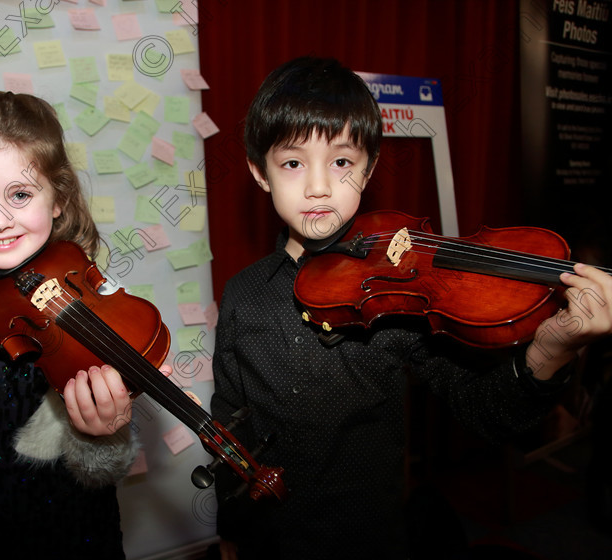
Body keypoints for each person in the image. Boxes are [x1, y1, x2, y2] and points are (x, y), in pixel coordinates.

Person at [210, 56, 612, 559]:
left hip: (372, 541)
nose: (318, 186)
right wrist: (229, 535)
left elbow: (486, 412)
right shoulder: (242, 295)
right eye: (293, 163)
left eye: (341, 162)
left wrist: (552, 349)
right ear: (259, 172)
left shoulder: (397, 295)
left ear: (369, 169)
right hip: (269, 542)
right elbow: (229, 425)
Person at [0, 91, 161, 559]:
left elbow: (102, 470)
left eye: (20, 195)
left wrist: (103, 433)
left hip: (66, 528)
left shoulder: (92, 304)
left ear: (58, 199)